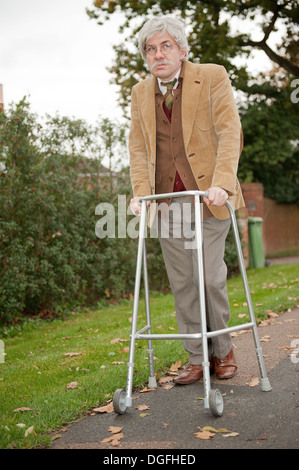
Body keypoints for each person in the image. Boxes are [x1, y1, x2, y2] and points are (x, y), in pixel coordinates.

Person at [129, 16, 245, 384]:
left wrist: (223, 184)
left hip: (209, 197)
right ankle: (197, 357)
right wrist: (141, 195)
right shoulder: (139, 93)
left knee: (209, 278)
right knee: (183, 283)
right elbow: (137, 148)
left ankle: (222, 349)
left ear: (182, 49)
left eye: (166, 46)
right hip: (167, 202)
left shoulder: (211, 75)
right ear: (146, 56)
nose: (158, 54)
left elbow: (230, 131)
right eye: (151, 48)